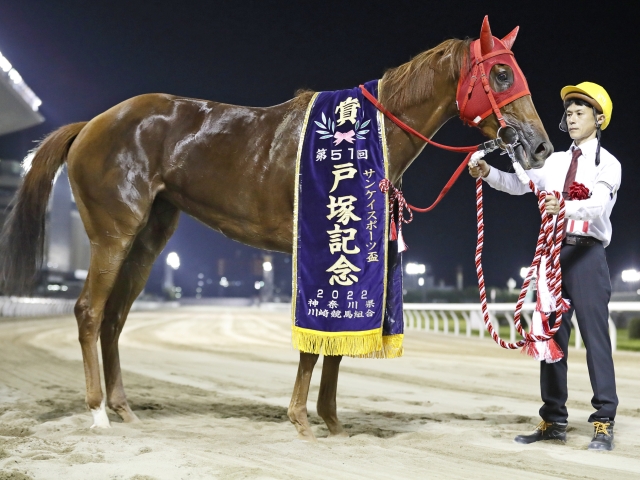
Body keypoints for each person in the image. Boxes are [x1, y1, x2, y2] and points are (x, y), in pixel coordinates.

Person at [469, 82, 620, 451]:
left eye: (580, 112)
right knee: (549, 339)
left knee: (596, 340)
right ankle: (553, 420)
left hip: (587, 256)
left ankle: (603, 421)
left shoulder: (608, 164)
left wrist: (564, 208)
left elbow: (598, 206)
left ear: (598, 119)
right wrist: (487, 172)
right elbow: (520, 185)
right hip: (554, 255)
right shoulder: (553, 162)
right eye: (568, 112)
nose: (571, 117)